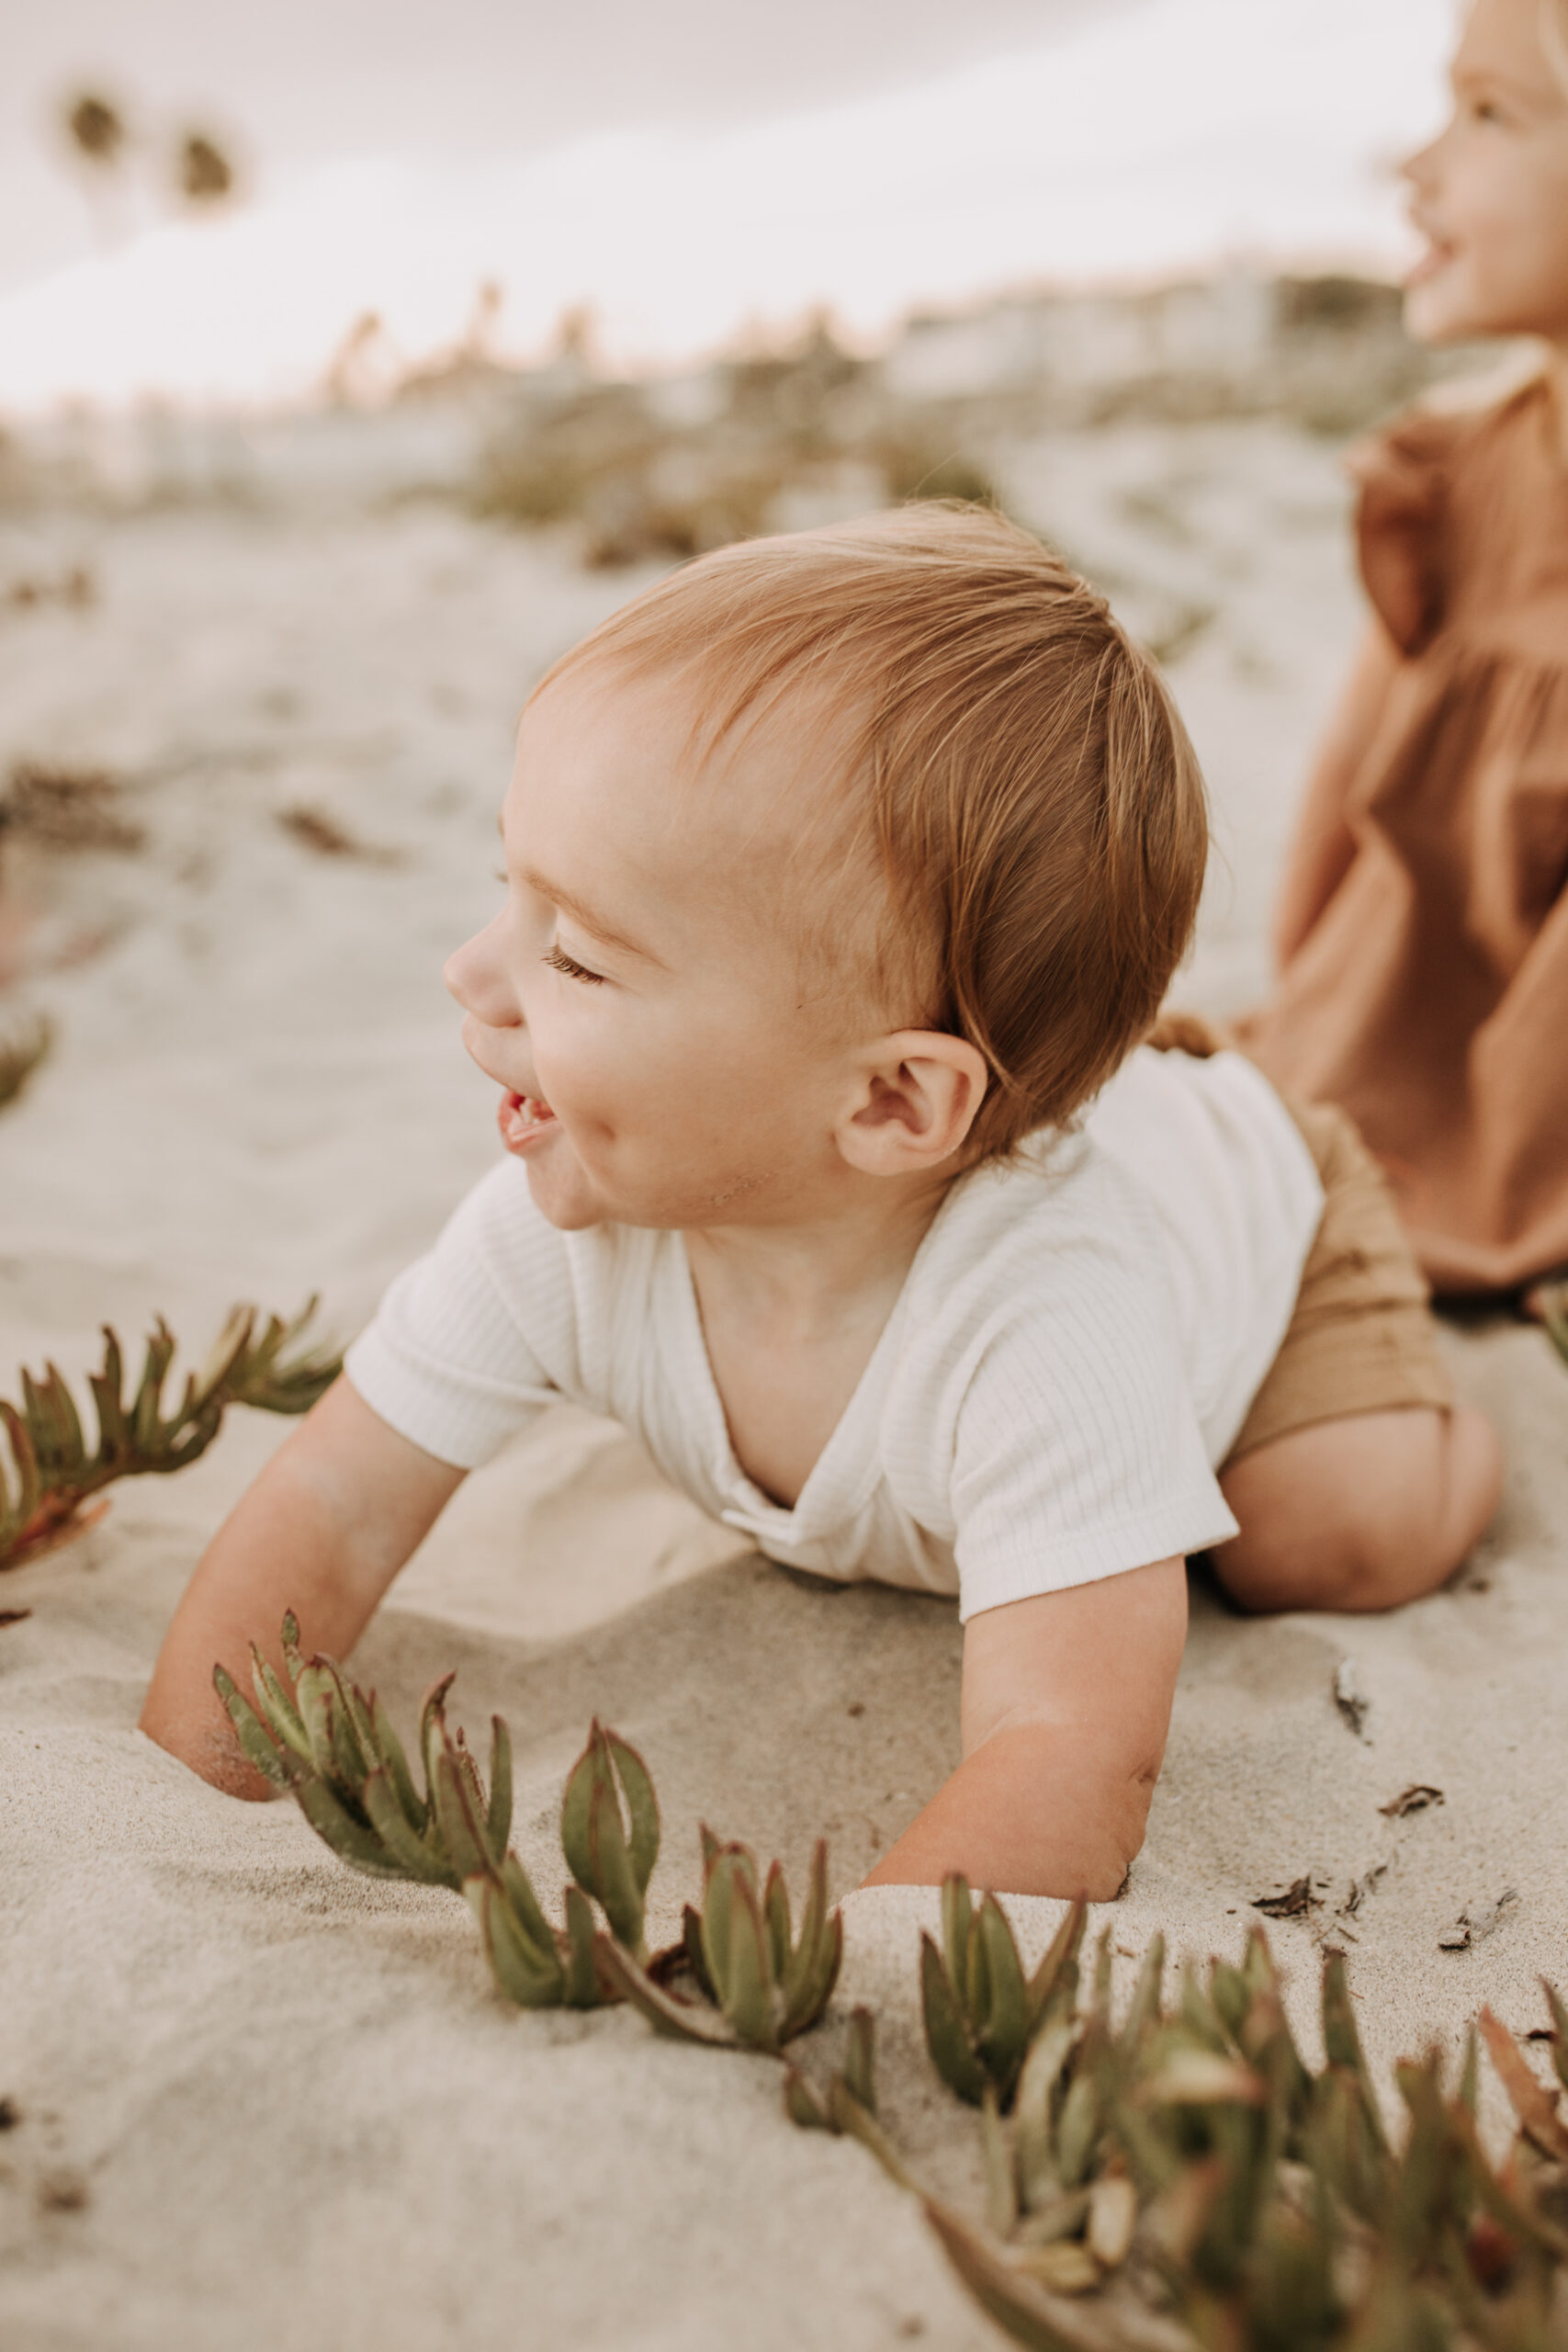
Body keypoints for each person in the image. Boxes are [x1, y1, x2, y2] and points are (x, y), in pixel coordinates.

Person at [140, 506, 1502, 1900]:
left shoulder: (1047, 1319)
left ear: (893, 1106)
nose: (473, 977)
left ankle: (1468, 1425)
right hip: (1043, 1123)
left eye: (583, 962)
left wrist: (858, 1993)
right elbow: (334, 1499)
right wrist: (187, 1793)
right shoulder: (565, 1222)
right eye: (509, 893)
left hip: (1262, 1211)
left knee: (1325, 1534)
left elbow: (1067, 1749)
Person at [1237, 0, 1568, 1298]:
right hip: (1395, 1047)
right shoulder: (1458, 470)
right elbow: (1343, 783)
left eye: (1491, 113)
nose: (1414, 164)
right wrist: (1302, 1019)